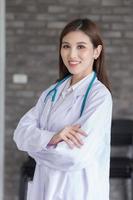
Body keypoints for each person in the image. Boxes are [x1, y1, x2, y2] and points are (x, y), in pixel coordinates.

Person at [13, 18, 113, 200]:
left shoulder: (99, 97)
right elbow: (20, 134)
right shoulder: (51, 92)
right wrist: (53, 138)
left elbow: (75, 156)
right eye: (66, 46)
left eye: (81, 46)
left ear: (96, 51)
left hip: (77, 190)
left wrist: (36, 147)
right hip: (44, 186)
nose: (72, 54)